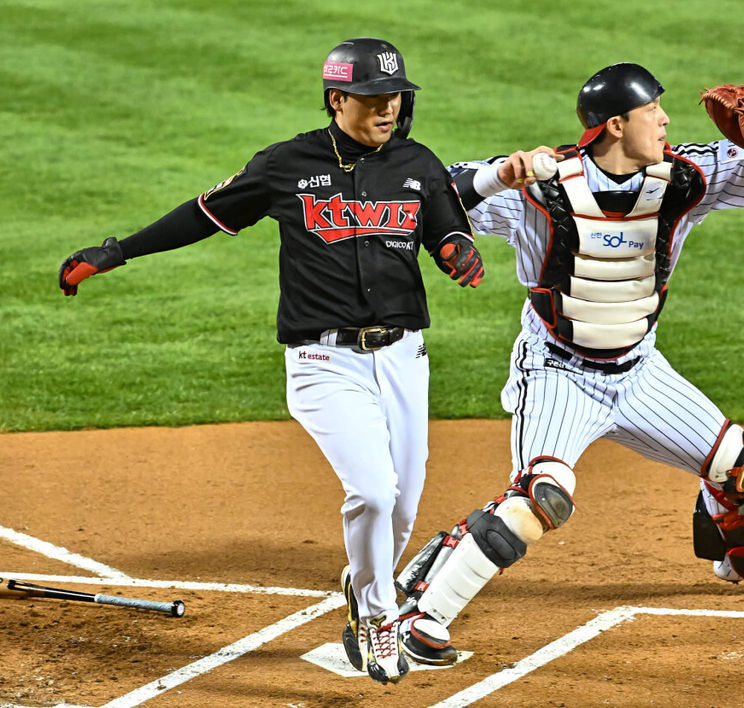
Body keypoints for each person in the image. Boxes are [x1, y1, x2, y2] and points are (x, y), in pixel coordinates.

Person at [57, 37, 485, 685]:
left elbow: (447, 224)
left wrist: (457, 251)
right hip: (324, 362)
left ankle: (363, 580)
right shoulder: (288, 164)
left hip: (403, 358)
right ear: (337, 99)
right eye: (372, 97)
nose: (387, 107)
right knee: (371, 492)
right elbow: (205, 215)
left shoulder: (418, 163)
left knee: (400, 508)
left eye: (395, 96)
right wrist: (119, 251)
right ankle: (375, 617)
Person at [392, 62, 744, 666]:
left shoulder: (683, 177)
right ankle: (421, 614)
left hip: (640, 370)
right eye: (654, 112)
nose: (667, 120)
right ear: (616, 125)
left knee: (742, 462)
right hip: (558, 372)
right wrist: (497, 174)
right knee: (543, 497)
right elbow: (426, 198)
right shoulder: (539, 189)